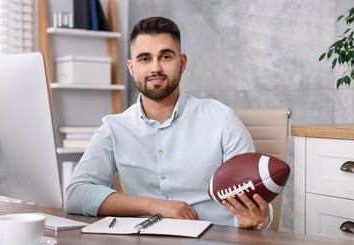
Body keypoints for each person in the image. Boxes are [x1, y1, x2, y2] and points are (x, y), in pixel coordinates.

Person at [65, 16, 271, 229]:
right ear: (131, 67)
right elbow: (75, 194)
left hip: (214, 243)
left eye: (165, 56)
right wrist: (159, 206)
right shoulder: (113, 128)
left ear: (182, 63)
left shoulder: (222, 120)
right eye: (144, 58)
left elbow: (254, 198)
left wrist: (257, 219)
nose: (155, 68)